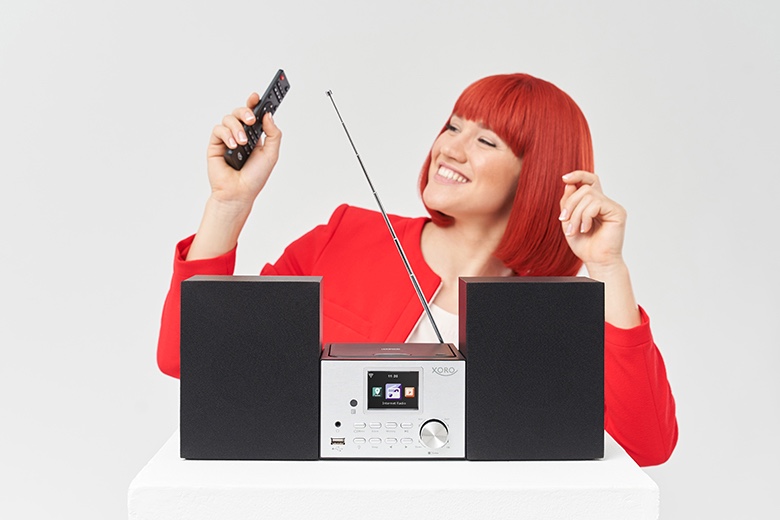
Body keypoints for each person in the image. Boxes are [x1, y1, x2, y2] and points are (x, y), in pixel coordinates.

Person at [157, 73, 678, 466]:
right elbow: (188, 360)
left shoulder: (556, 309)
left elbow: (646, 446)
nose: (450, 147)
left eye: (486, 141)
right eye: (453, 126)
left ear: (537, 173)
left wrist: (608, 268)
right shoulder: (347, 234)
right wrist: (228, 204)